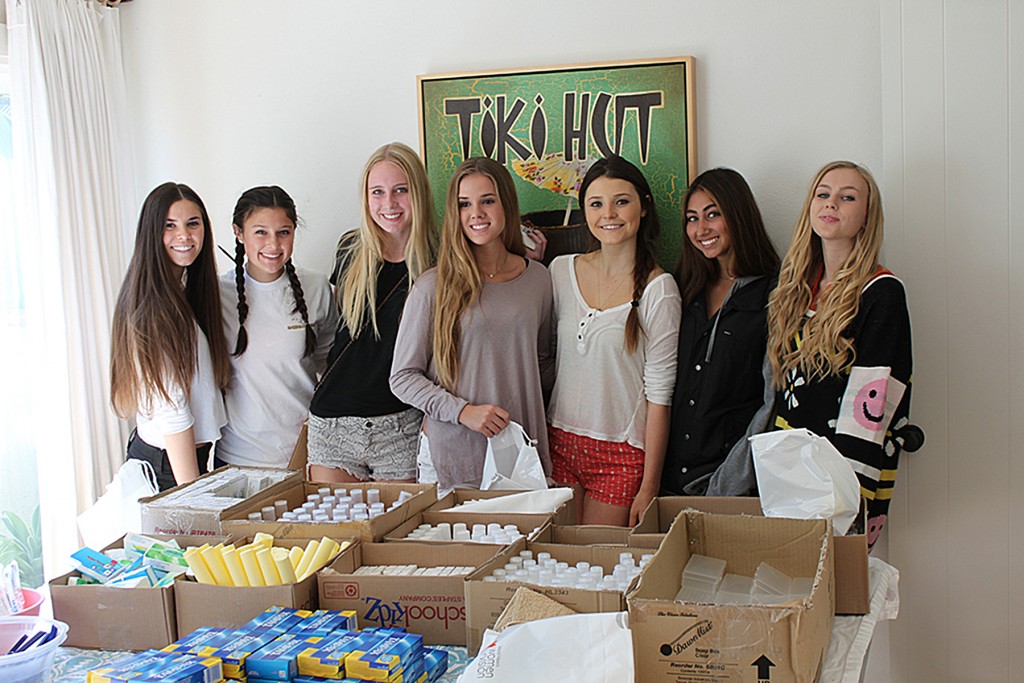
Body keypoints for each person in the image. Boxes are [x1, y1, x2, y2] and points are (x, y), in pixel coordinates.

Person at [767, 161, 912, 547]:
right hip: (789, 469)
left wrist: (847, 505)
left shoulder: (881, 293)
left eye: (847, 197)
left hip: (842, 477)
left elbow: (872, 405)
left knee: (834, 591)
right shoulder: (797, 289)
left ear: (866, 216)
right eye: (823, 194)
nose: (832, 204)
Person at [390, 156, 554, 491]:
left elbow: (541, 364)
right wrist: (463, 411)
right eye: (464, 204)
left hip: (521, 451)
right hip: (454, 451)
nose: (476, 213)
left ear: (506, 204)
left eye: (487, 201)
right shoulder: (432, 287)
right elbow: (402, 378)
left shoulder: (538, 278)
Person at [547, 156, 682, 526]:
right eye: (596, 203)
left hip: (620, 455)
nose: (609, 213)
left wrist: (649, 486)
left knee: (596, 567)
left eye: (621, 201)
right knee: (554, 562)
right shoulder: (560, 271)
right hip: (557, 443)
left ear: (643, 206)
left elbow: (659, 396)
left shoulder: (660, 290)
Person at [306, 143, 437, 483]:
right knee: (335, 536)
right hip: (334, 423)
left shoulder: (443, 259)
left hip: (402, 426)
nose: (388, 203)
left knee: (398, 536)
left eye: (400, 191)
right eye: (377, 192)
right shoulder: (350, 249)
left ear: (419, 193)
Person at [661, 168, 780, 495]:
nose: (701, 229)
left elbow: (771, 404)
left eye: (713, 214)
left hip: (729, 484)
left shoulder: (774, 296)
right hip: (670, 482)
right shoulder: (684, 291)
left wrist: (727, 484)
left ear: (738, 214)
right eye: (692, 218)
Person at [110, 183, 230, 491]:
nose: (185, 236)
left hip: (178, 460)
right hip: (171, 467)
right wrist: (194, 493)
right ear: (152, 233)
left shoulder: (181, 295)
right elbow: (172, 411)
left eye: (193, 224)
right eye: (169, 226)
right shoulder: (155, 308)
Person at [217, 186, 338, 468]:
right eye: (260, 232)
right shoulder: (216, 294)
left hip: (308, 454)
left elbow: (332, 370)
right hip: (238, 458)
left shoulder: (317, 287)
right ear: (238, 232)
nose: (273, 244)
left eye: (283, 232)